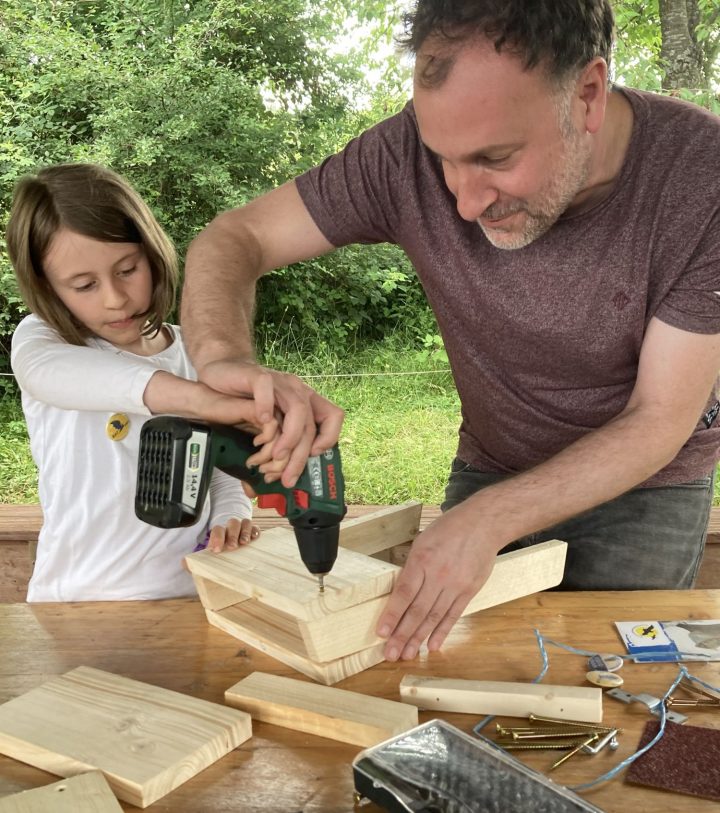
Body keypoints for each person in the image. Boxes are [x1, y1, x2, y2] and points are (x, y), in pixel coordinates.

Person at [179, 0, 720, 661]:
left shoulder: (702, 178)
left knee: (618, 684)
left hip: (645, 487)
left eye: (495, 157)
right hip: (491, 461)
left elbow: (660, 419)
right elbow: (234, 237)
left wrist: (487, 520)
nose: (464, 202)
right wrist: (223, 357)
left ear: (587, 95)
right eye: (444, 159)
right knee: (462, 672)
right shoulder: (402, 153)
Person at [7, 163, 284, 602]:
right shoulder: (43, 341)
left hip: (189, 595)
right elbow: (56, 376)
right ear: (48, 288)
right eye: (83, 285)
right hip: (74, 600)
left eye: (127, 269)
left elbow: (217, 467)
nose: (115, 299)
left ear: (151, 251)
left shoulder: (198, 353)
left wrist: (229, 513)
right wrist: (202, 400)